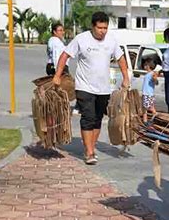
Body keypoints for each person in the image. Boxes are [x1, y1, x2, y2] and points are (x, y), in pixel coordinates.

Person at [53, 11, 130, 165]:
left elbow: (121, 58)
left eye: (105, 28)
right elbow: (65, 55)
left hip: (104, 88)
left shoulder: (111, 41)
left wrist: (126, 78)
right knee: (88, 118)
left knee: (97, 119)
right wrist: (57, 75)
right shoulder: (81, 39)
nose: (103, 31)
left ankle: (91, 147)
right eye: (100, 28)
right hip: (84, 87)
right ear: (93, 26)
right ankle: (89, 152)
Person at [142, 58, 158, 122]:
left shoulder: (152, 74)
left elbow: (156, 81)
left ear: (148, 66)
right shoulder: (148, 74)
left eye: (145, 65)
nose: (144, 66)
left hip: (148, 94)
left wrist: (155, 78)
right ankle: (145, 120)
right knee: (145, 108)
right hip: (146, 94)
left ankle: (155, 115)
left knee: (148, 108)